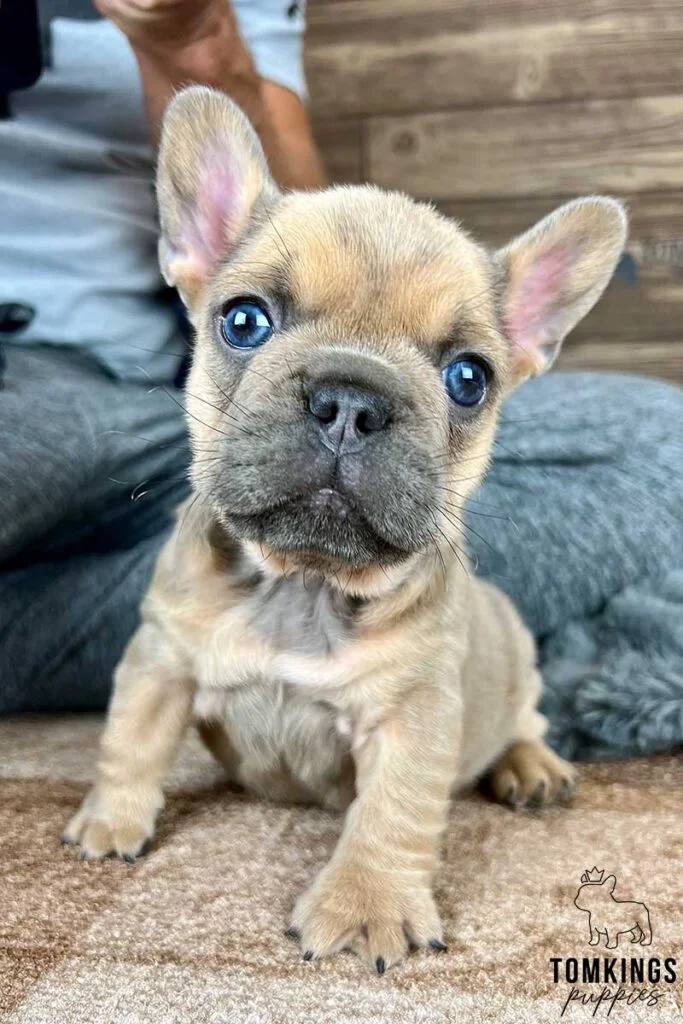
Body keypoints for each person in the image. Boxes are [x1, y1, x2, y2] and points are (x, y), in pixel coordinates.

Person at [1, 1, 681, 763]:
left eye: (461, 376)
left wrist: (195, 44)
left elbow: (314, 223)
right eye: (252, 318)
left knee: (667, 453)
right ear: (197, 254)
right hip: (64, 391)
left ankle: (219, 624)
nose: (346, 416)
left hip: (167, 411)